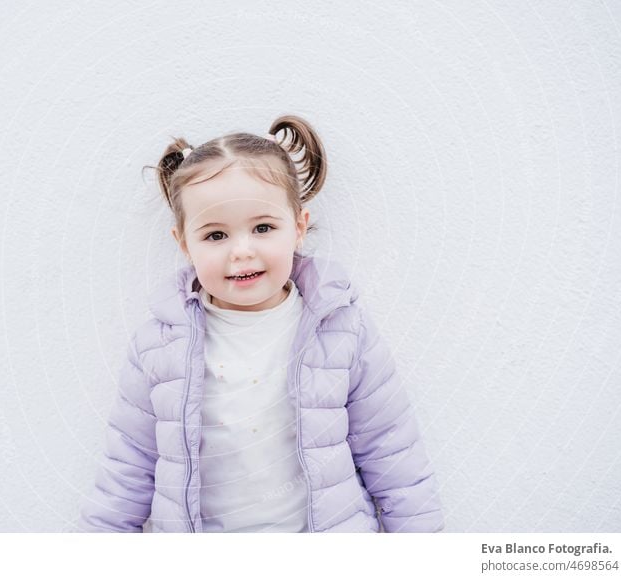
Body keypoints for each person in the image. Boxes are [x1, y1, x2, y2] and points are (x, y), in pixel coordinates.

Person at [77, 115, 444, 533]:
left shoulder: (340, 329)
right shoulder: (159, 344)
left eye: (263, 228)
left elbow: (392, 451)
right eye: (216, 236)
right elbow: (127, 468)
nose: (242, 252)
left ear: (299, 227)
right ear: (183, 243)